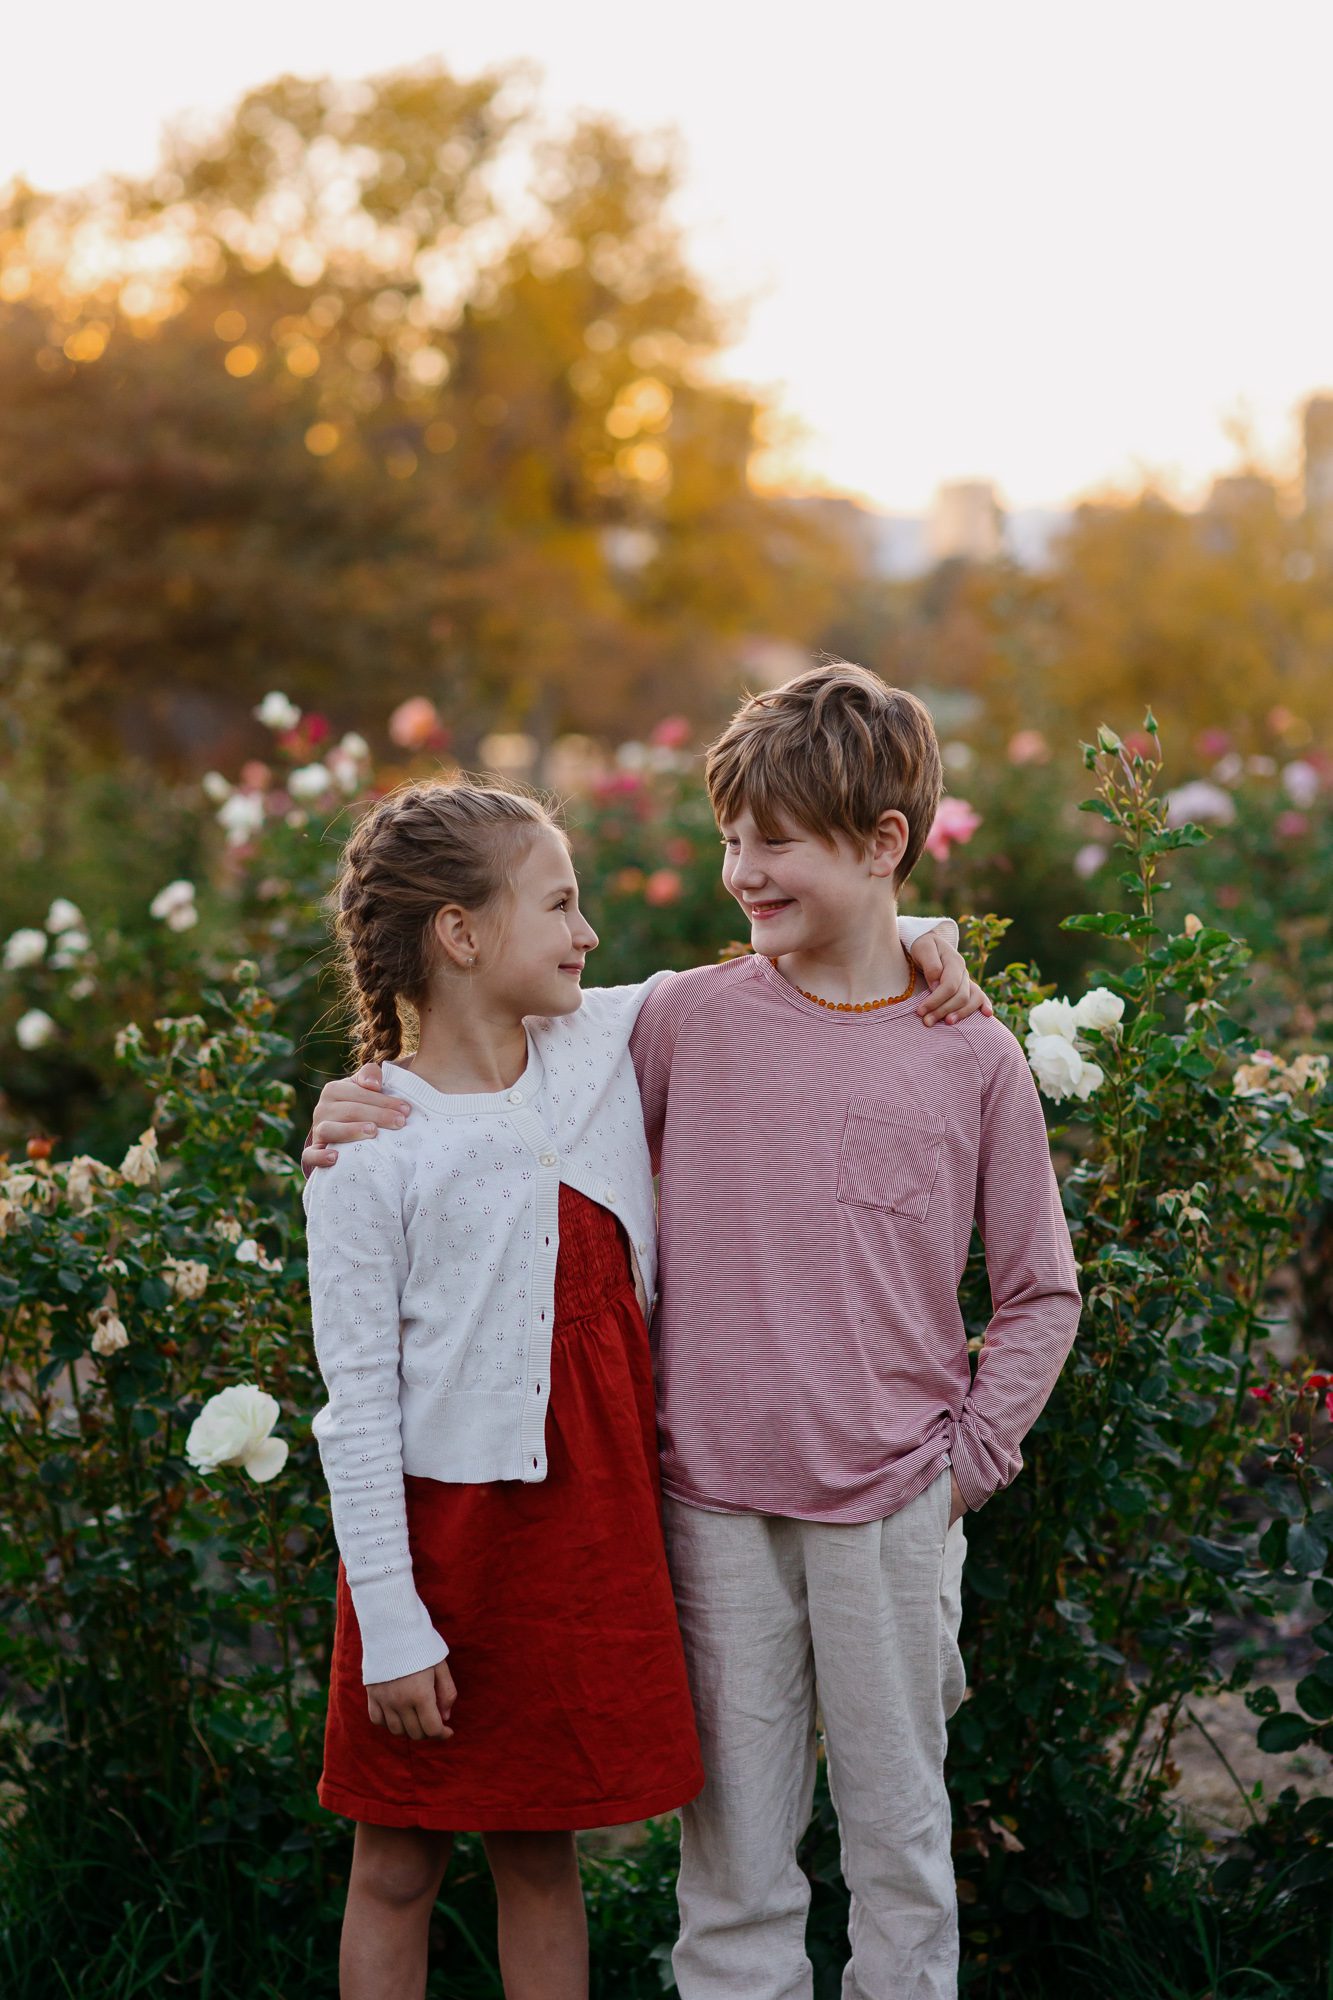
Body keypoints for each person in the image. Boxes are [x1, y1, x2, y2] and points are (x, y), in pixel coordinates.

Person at [307, 669, 1063, 1999]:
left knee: (899, 1855)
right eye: (731, 841)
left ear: (882, 844)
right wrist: (351, 1104)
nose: (738, 872)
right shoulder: (677, 1023)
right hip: (702, 1505)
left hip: (891, 1502)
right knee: (732, 1874)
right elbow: (482, 1069)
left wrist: (966, 1463)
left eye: (767, 843)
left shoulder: (963, 1051)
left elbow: (1038, 1284)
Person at [302, 781, 707, 2000]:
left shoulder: (596, 1046)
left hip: (578, 1540)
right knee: (395, 1860)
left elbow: (756, 974)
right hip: (438, 1548)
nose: (588, 934)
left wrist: (920, 938)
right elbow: (356, 1404)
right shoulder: (372, 1148)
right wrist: (393, 1617)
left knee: (544, 1849)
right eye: (561, 903)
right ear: (461, 934)